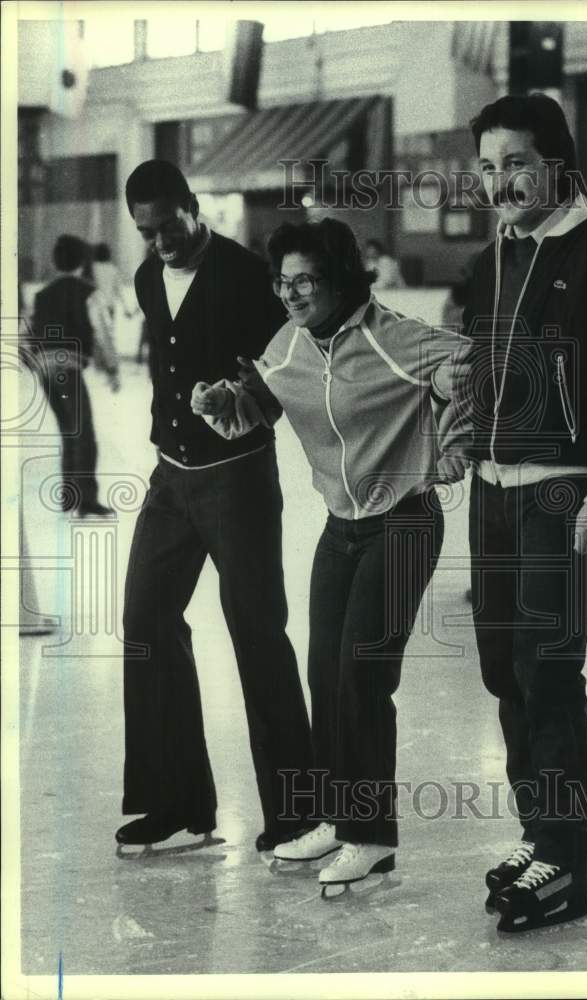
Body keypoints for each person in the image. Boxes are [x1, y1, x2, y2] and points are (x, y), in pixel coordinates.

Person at [192, 218, 470, 894]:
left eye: (304, 281)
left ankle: (371, 838)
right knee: (325, 674)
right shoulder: (289, 343)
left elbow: (470, 361)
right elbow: (264, 401)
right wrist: (224, 403)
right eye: (282, 282)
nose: (290, 294)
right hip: (341, 527)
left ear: (338, 278)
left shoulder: (392, 337)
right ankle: (337, 817)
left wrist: (454, 440)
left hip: (403, 523)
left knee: (361, 678)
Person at [463, 95, 587, 931]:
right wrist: (464, 439)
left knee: (549, 670)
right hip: (494, 490)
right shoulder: (496, 262)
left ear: (556, 162)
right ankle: (541, 830)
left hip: (564, 491)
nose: (498, 182)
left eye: (514, 162)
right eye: (486, 166)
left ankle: (568, 861)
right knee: (503, 669)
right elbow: (480, 369)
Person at [117, 160, 313, 852]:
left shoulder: (245, 276)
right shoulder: (146, 279)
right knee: (145, 620)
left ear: (195, 208)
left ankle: (297, 810)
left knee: (256, 630)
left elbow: (291, 368)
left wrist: (246, 402)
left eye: (169, 226)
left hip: (238, 479)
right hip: (170, 480)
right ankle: (176, 801)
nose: (160, 243)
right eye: (147, 232)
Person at [28, 234, 120, 517]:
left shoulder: (42, 294)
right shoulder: (86, 291)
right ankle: (86, 501)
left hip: (44, 371)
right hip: (67, 369)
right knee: (84, 434)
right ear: (82, 261)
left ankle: (69, 499)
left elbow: (28, 333)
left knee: (69, 431)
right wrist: (112, 368)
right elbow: (101, 332)